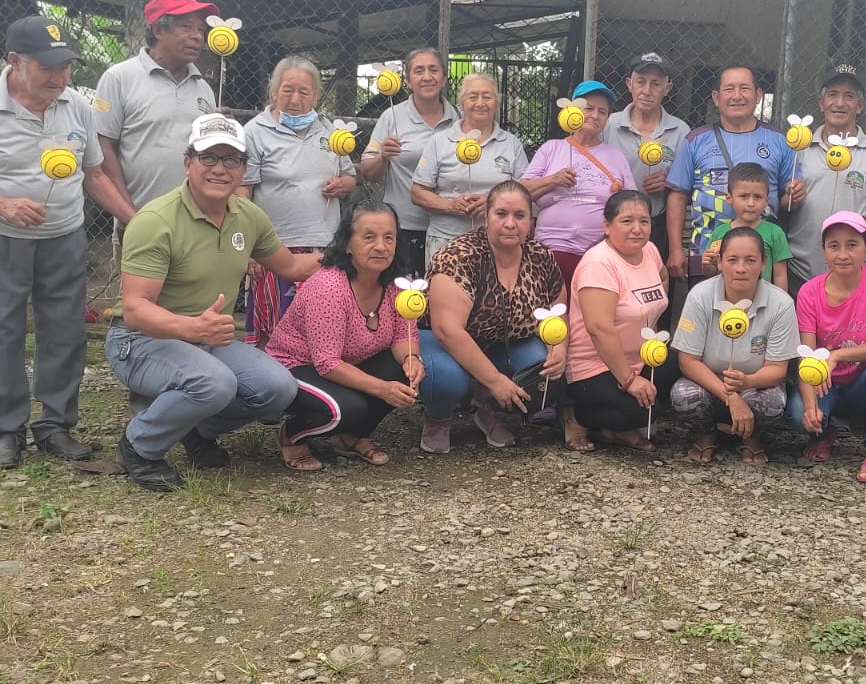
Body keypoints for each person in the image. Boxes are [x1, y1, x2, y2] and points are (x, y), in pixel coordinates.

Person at [0, 17, 134, 468]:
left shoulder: (77, 105)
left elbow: (94, 174)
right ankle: (6, 430)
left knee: (64, 329)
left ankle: (55, 425)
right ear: (15, 62)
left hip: (63, 235)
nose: (59, 77)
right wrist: (2, 206)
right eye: (48, 67)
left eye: (65, 66)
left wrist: (135, 221)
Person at [107, 114, 324, 491]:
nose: (219, 169)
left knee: (278, 388)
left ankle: (193, 429)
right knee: (215, 383)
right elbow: (136, 309)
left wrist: (348, 254)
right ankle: (138, 447)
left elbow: (290, 267)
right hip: (139, 340)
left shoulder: (248, 216)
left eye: (231, 159)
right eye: (208, 157)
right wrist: (193, 327)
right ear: (187, 162)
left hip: (206, 338)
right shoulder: (154, 220)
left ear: (244, 168)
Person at [266, 203, 422, 469]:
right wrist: (382, 389)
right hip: (298, 365)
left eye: (389, 238)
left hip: (348, 364)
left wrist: (412, 359)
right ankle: (292, 435)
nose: (381, 247)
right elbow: (327, 363)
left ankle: (351, 437)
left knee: (404, 375)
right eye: (369, 237)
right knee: (346, 410)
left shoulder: (398, 284)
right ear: (348, 244)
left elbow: (402, 335)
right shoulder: (328, 287)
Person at [419, 181, 566, 454]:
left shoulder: (541, 255)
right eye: (501, 214)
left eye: (519, 215)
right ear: (486, 217)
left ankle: (488, 408)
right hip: (443, 342)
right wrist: (496, 381)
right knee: (447, 378)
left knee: (541, 366)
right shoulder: (459, 256)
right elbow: (447, 330)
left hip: (503, 342)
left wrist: (558, 349)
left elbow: (557, 308)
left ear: (530, 221)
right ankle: (438, 416)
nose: (510, 223)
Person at [238, 56, 356, 347]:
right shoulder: (255, 131)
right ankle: (268, 375)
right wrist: (250, 248)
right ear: (274, 91)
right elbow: (242, 193)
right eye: (287, 90)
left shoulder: (331, 132)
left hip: (324, 246)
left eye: (304, 92)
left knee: (320, 326)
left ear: (315, 95)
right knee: (273, 328)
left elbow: (350, 177)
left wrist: (343, 185)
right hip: (273, 248)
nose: (295, 99)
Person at [785, 212, 866, 483]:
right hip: (824, 383)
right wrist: (810, 407)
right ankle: (824, 430)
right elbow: (807, 356)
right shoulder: (809, 292)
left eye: (852, 245)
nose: (843, 254)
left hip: (865, 381)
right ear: (824, 251)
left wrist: (837, 355)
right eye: (834, 246)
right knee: (798, 414)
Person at [672, 228, 798, 464]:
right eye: (732, 260)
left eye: (750, 260)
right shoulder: (700, 295)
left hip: (754, 383)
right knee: (683, 396)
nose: (741, 268)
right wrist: (731, 397)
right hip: (709, 382)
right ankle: (707, 433)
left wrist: (746, 382)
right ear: (720, 262)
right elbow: (687, 361)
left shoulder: (781, 303)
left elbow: (777, 369)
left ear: (763, 263)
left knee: (773, 403)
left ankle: (752, 436)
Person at [666, 64, 795, 285]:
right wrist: (675, 249)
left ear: (758, 95)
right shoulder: (695, 140)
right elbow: (677, 196)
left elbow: (787, 199)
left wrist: (795, 194)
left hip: (758, 261)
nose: (737, 96)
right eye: (729, 89)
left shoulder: (780, 140)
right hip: (706, 254)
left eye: (744, 88)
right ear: (716, 98)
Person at [93, 0, 219, 214]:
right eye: (186, 27)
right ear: (159, 30)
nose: (198, 37)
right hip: (141, 214)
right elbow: (103, 149)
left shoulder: (204, 88)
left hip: (197, 217)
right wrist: (130, 214)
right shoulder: (119, 78)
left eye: (201, 29)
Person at [563, 191, 670, 452]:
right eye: (627, 221)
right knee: (642, 413)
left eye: (644, 221)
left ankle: (613, 430)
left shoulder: (650, 251)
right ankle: (577, 417)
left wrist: (651, 322)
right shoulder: (599, 263)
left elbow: (663, 278)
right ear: (607, 226)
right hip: (596, 365)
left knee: (682, 373)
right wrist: (630, 381)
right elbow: (599, 329)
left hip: (642, 356)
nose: (637, 229)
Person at [782, 63, 866, 290]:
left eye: (849, 96)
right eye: (832, 95)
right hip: (800, 271)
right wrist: (790, 198)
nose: (840, 103)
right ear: (821, 103)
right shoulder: (798, 149)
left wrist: (852, 223)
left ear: (860, 106)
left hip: (852, 274)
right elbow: (781, 204)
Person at [522, 79, 637, 284]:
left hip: (599, 252)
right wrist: (553, 180)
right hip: (549, 249)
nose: (595, 115)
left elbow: (633, 205)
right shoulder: (551, 149)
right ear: (572, 110)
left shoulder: (616, 156)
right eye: (588, 108)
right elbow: (521, 192)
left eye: (602, 112)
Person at [411, 71, 530, 262]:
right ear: (462, 103)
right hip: (446, 239)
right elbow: (418, 193)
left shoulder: (511, 143)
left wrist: (493, 203)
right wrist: (451, 206)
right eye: (473, 97)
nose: (480, 103)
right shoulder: (439, 141)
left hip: (496, 242)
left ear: (496, 103)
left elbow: (524, 191)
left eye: (487, 97)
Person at [361, 47, 459, 267]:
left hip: (450, 227)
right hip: (403, 227)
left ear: (444, 78)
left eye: (433, 69)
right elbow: (368, 173)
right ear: (407, 80)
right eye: (419, 71)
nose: (427, 77)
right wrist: (382, 157)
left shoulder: (459, 120)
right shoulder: (391, 117)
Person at [606, 52, 688, 264]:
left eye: (655, 84)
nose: (647, 91)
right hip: (615, 223)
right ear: (629, 84)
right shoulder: (609, 125)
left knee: (656, 279)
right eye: (641, 82)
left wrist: (669, 182)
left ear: (667, 88)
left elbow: (686, 185)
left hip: (657, 224)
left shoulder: (680, 131)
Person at [700, 163, 791, 291]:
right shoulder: (719, 233)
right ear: (729, 198)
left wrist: (781, 301)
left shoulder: (775, 233)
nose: (751, 203)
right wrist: (706, 264)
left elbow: (780, 275)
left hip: (763, 300)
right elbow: (712, 274)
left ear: (766, 200)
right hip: (726, 300)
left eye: (757, 197)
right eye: (744, 196)